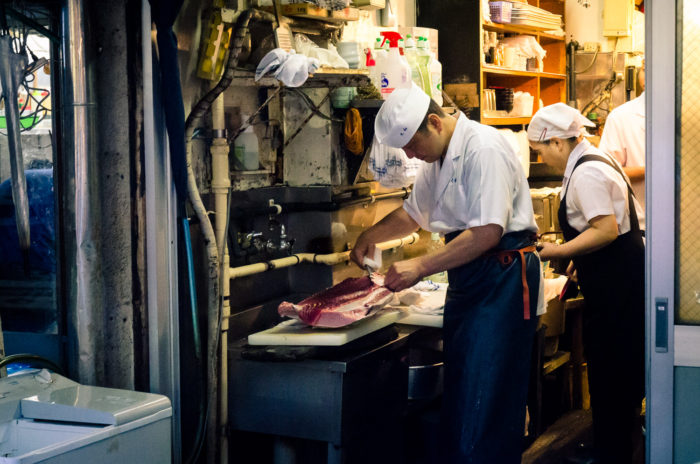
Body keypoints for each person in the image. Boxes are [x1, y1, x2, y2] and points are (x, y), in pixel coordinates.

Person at [350, 83, 543, 463]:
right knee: (465, 393)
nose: (410, 155)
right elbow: (412, 214)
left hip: (501, 279)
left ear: (435, 123)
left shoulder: (482, 148)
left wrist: (420, 266)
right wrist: (368, 236)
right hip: (471, 279)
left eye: (411, 146)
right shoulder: (437, 159)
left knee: (486, 399)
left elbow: (488, 232)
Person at [530, 103, 645, 464]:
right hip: (616, 279)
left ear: (558, 143)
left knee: (613, 372)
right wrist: (581, 260)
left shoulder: (586, 173)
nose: (542, 159)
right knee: (616, 371)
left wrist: (558, 251)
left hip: (617, 286)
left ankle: (613, 454)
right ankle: (612, 445)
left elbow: (606, 229)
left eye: (541, 151)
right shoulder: (592, 159)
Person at [599, 60, 645, 213]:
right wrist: (651, 170)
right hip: (639, 220)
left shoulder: (690, 114)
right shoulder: (621, 117)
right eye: (645, 69)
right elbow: (607, 172)